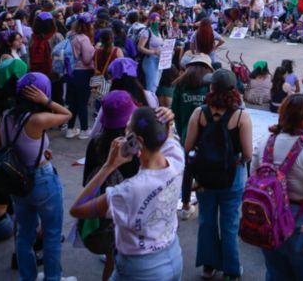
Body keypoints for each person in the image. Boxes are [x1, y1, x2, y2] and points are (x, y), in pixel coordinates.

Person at [70, 107, 185, 281]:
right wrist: (167, 120)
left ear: (136, 140)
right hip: (173, 255)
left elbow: (77, 209)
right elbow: (167, 136)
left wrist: (108, 166)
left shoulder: (128, 191)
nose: (125, 132)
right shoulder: (177, 157)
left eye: (127, 128)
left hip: (139, 269)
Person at [0, 72, 74, 281]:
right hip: (42, 180)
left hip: (17, 181)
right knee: (52, 234)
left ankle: (27, 277)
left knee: (24, 234)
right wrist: (46, 101)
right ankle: (53, 278)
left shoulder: (5, 116)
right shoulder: (38, 119)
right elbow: (67, 114)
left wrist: (35, 150)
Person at [251, 94, 303, 280]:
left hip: (269, 217)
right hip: (302, 222)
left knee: (276, 272)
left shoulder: (265, 142)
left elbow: (254, 179)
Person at [184, 69, 253, 280]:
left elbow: (187, 147)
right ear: (234, 90)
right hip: (232, 177)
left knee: (207, 221)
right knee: (230, 224)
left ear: (212, 88)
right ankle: (231, 270)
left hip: (204, 178)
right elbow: (248, 154)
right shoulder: (241, 116)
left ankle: (208, 265)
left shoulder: (199, 113)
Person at [82, 90, 139, 281]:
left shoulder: (96, 143)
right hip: (129, 217)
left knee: (112, 258)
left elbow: (86, 183)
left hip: (105, 211)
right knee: (119, 263)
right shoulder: (134, 148)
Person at [170, 54, 214, 220]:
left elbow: (174, 111)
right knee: (205, 167)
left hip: (186, 135)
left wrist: (182, 131)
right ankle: (205, 197)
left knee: (188, 169)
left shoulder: (180, 85)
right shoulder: (209, 85)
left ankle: (185, 203)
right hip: (208, 136)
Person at [137, 12, 165, 94]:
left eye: (158, 20)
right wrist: (153, 52)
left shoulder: (158, 33)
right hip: (150, 60)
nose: (157, 22)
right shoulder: (146, 32)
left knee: (156, 85)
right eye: (155, 20)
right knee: (151, 85)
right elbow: (140, 47)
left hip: (159, 61)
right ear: (150, 21)